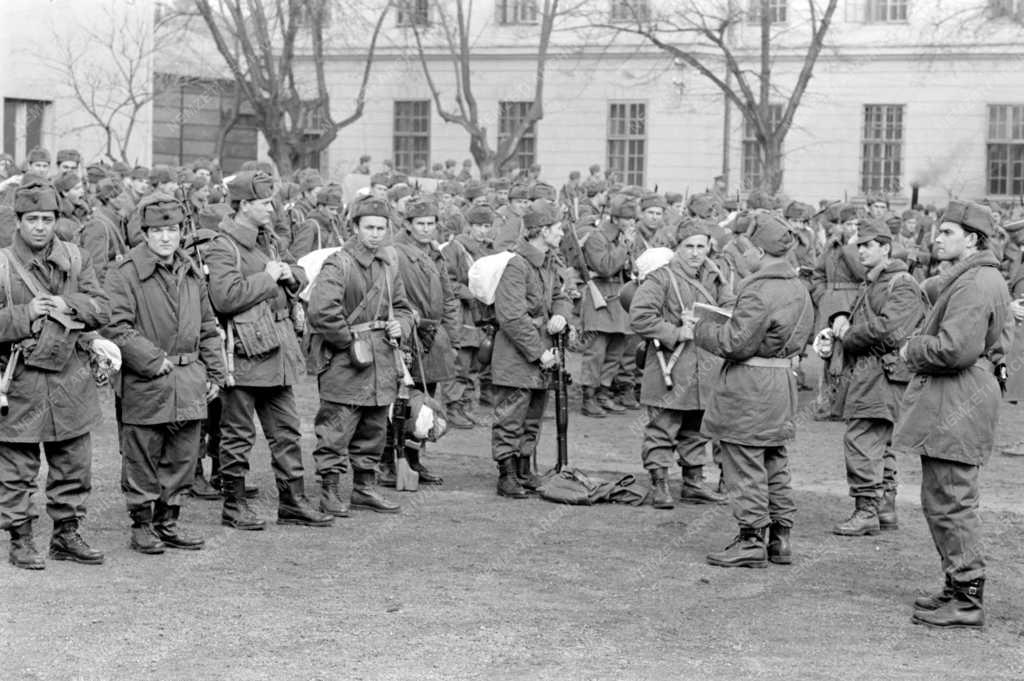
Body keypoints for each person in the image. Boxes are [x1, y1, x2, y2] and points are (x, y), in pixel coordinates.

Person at [894, 200, 1010, 629]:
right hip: (958, 396)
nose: (936, 238)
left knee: (952, 500)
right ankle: (956, 585)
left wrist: (912, 348)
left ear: (972, 239)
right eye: (938, 231)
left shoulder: (975, 284)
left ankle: (967, 596)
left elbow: (954, 349)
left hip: (958, 397)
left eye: (947, 232)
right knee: (943, 497)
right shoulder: (975, 279)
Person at [205, 170, 332, 530]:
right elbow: (224, 297)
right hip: (244, 352)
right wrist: (269, 277)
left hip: (276, 348)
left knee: (288, 431)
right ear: (243, 205)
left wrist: (290, 275)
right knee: (237, 433)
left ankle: (292, 501)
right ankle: (234, 504)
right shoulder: (223, 244)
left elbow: (297, 269)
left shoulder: (268, 238)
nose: (271, 208)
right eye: (263, 203)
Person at [103, 193, 226, 554]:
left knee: (184, 456)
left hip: (189, 378)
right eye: (157, 231)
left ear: (180, 231)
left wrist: (215, 372)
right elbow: (116, 326)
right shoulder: (124, 273)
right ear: (145, 233)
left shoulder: (190, 270)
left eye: (172, 229)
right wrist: (152, 360)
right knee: (142, 455)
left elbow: (207, 325)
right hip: (147, 380)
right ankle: (142, 525)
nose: (165, 238)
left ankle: (167, 521)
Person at [0, 177, 111, 569]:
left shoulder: (77, 258)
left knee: (73, 462)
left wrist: (66, 303)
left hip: (71, 374)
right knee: (17, 468)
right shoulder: (1, 265)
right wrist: (25, 314)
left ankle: (66, 535)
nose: (40, 226)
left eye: (47, 218)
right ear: (18, 221)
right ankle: (21, 538)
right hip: (21, 379)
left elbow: (102, 307)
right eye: (31, 218)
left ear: (56, 219)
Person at [693, 212, 814, 568]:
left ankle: (750, 539)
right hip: (781, 384)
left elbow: (736, 344)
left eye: (747, 247)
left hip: (751, 385)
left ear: (759, 251)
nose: (742, 253)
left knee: (742, 460)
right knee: (774, 460)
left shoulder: (759, 289)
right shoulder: (798, 287)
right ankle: (780, 539)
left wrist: (701, 329)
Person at [307, 197, 414, 516]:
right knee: (336, 426)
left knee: (374, 427)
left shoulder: (388, 265)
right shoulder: (337, 263)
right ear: (354, 228)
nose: (376, 234)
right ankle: (329, 490)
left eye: (381, 228)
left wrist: (402, 326)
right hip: (345, 359)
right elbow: (322, 312)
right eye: (369, 227)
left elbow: (406, 308)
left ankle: (364, 488)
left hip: (382, 359)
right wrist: (350, 343)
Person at [820, 220, 927, 536]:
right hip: (871, 372)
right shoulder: (874, 282)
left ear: (886, 248)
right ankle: (884, 508)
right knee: (879, 442)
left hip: (882, 373)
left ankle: (867, 510)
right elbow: (861, 316)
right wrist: (839, 319)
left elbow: (890, 330)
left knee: (861, 439)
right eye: (859, 245)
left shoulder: (902, 283)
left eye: (868, 245)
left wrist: (848, 336)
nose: (861, 250)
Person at [630, 221, 733, 509]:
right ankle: (660, 483)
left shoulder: (716, 277)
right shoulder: (660, 278)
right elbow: (640, 317)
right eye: (689, 246)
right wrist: (677, 330)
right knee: (663, 427)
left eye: (701, 246)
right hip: (671, 365)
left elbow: (730, 307)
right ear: (677, 248)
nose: (695, 253)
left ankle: (694, 482)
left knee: (697, 428)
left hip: (706, 367)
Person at [490, 199, 572, 498]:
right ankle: (506, 474)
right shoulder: (516, 264)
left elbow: (562, 294)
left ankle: (524, 469)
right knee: (510, 416)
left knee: (534, 415)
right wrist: (539, 353)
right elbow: (511, 317)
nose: (562, 233)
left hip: (543, 351)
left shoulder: (549, 260)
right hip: (519, 354)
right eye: (558, 228)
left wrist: (561, 313)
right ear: (543, 231)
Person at [380, 196, 459, 486]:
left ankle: (413, 459)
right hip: (405, 335)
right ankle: (389, 462)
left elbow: (448, 299)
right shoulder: (394, 253)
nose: (426, 229)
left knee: (424, 406)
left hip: (432, 338)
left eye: (431, 223)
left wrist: (452, 337)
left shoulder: (437, 254)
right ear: (409, 225)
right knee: (397, 403)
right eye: (420, 224)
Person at [578, 196, 634, 417]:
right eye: (627, 219)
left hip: (619, 300)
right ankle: (588, 397)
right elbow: (606, 267)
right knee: (596, 352)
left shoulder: (624, 238)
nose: (631, 223)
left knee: (615, 352)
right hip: (600, 298)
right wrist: (624, 247)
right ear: (615, 218)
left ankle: (604, 392)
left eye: (632, 219)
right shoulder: (597, 237)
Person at [442, 204, 494, 428]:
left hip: (480, 314)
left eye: (487, 226)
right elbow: (447, 281)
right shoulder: (455, 248)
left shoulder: (488, 250)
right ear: (469, 226)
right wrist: (470, 294)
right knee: (460, 363)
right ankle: (453, 406)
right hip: (461, 313)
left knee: (476, 362)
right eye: (479, 226)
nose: (484, 231)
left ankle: (466, 406)